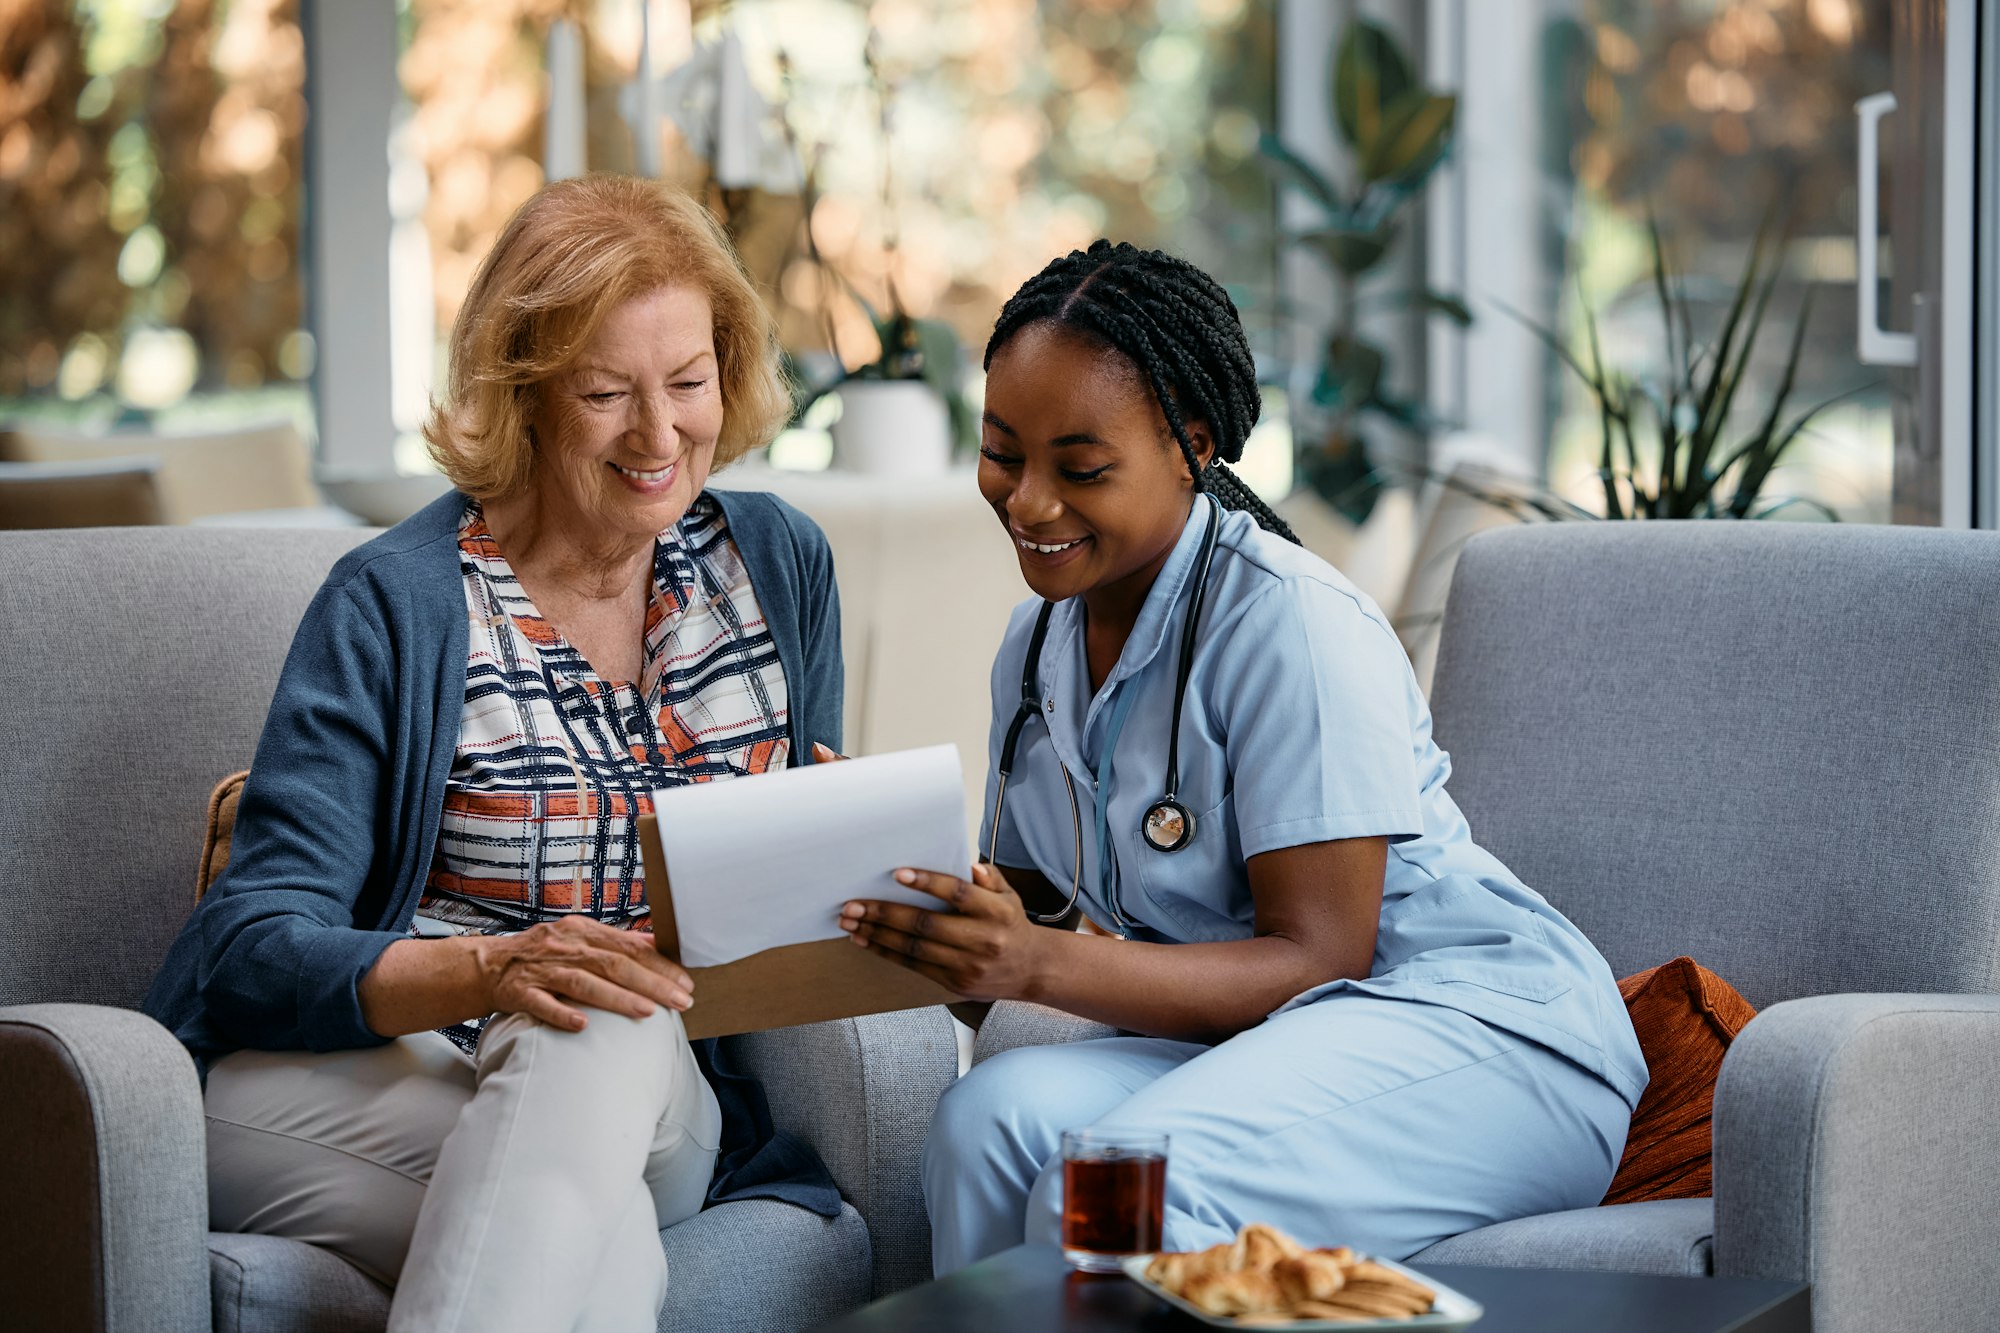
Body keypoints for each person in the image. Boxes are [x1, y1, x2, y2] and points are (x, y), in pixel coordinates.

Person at [837, 240, 1649, 1273]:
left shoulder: (1290, 622)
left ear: (1191, 444)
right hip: (1274, 1048)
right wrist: (923, 915)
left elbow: (1320, 956)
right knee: (985, 1121)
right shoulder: (1035, 648)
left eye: (1079, 467)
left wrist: (1030, 957)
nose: (1028, 501)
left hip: (1484, 1042)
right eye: (1002, 453)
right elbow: (1038, 928)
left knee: (1120, 1184)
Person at [143, 175, 845, 1332]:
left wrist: (878, 882)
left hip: (660, 1092)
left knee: (604, 1014)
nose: (660, 435)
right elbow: (249, 949)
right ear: (522, 392)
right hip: (373, 1076)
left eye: (686, 382)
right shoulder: (395, 602)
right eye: (606, 392)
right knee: (593, 1235)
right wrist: (496, 966)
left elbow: (789, 891)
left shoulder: (774, 565)